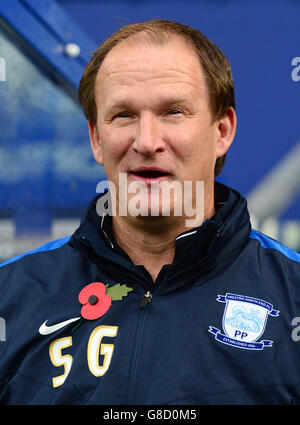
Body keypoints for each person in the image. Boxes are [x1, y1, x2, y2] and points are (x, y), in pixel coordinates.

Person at [1, 19, 300, 405]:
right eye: (123, 115)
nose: (146, 142)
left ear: (221, 131)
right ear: (96, 138)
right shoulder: (11, 298)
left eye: (173, 111)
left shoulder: (292, 295)